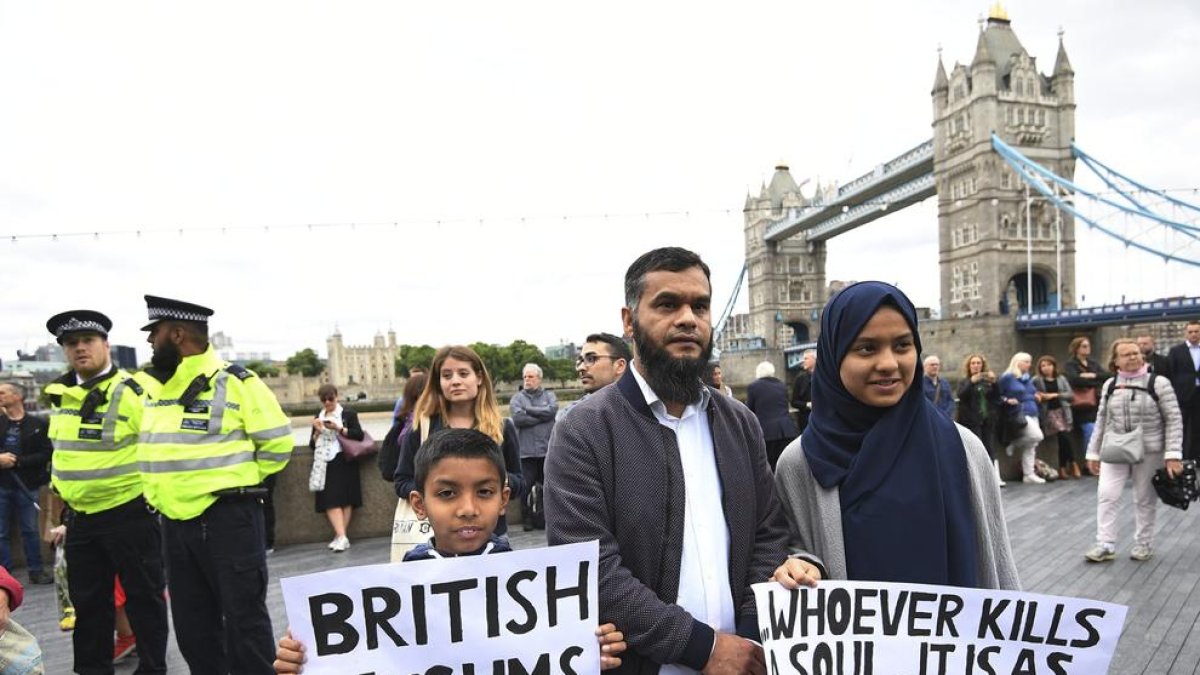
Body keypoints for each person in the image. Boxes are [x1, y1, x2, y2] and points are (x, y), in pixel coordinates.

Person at [546, 247, 818, 675]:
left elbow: (767, 534)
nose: (688, 318)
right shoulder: (583, 431)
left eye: (701, 305)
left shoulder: (740, 423)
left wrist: (745, 642)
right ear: (629, 320)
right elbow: (591, 568)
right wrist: (703, 648)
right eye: (668, 304)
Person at [273, 428, 627, 673]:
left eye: (484, 492)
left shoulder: (534, 587)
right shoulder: (398, 585)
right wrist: (305, 658)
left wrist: (587, 646)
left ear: (504, 500)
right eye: (447, 494)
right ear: (419, 504)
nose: (467, 508)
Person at [772, 281, 1019, 590]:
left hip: (951, 636)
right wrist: (800, 565)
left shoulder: (965, 448)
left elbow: (997, 562)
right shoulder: (799, 464)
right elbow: (790, 551)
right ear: (834, 356)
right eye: (866, 348)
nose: (888, 364)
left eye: (902, 345)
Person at [138, 295, 292, 674]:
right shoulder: (157, 387)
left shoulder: (236, 381)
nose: (148, 342)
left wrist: (238, 483)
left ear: (176, 334)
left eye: (154, 333)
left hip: (227, 518)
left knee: (245, 626)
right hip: (173, 523)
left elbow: (277, 444)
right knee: (193, 631)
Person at [42, 309, 170, 673]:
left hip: (129, 514)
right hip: (81, 521)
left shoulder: (132, 391)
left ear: (106, 345)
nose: (79, 349)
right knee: (89, 607)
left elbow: (161, 448)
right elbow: (64, 459)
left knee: (145, 602)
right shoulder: (61, 394)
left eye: (87, 341)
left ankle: (153, 668)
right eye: (71, 343)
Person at [394, 345, 525, 538]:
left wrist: (501, 483)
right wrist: (437, 494)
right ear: (439, 382)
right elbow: (402, 481)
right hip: (437, 536)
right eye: (447, 376)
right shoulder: (421, 428)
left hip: (491, 535)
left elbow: (519, 481)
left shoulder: (502, 427)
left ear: (479, 378)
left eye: (463, 374)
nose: (455, 381)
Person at [1084, 338, 1185, 562]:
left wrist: (1172, 455)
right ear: (1115, 361)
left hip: (1150, 449)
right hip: (1115, 448)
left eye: (1136, 353)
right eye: (1127, 354)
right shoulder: (1109, 385)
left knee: (1144, 497)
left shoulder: (1159, 383)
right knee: (1107, 495)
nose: (1133, 357)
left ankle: (1143, 543)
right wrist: (1092, 453)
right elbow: (1101, 420)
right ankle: (1105, 543)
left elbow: (1174, 420)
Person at [0, 383, 52, 585]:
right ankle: (5, 576)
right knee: (1, 532)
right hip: (2, 485)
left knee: (30, 530)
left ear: (17, 396)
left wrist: (18, 461)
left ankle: (36, 570)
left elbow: (47, 453)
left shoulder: (37, 424)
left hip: (27, 485)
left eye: (3, 392)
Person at [308, 384, 364, 553]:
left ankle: (340, 537)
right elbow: (312, 445)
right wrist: (317, 431)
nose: (327, 402)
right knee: (330, 500)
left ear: (336, 397)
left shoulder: (348, 414)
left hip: (345, 459)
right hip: (326, 462)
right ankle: (342, 536)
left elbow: (358, 435)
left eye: (330, 399)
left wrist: (338, 428)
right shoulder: (318, 417)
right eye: (323, 400)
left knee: (347, 500)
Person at [509, 363, 556, 531]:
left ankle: (546, 518)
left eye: (530, 376)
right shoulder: (517, 399)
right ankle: (527, 519)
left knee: (550, 487)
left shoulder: (549, 395)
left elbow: (552, 412)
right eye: (525, 377)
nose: (527, 380)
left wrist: (528, 410)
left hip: (546, 452)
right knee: (525, 489)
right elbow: (518, 419)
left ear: (539, 378)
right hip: (526, 453)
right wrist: (542, 416)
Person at [998, 352, 1047, 484]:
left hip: (1033, 411)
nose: (1029, 364)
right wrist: (1006, 400)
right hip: (1020, 412)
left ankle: (1028, 474)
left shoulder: (1028, 379)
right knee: (1037, 436)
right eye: (1026, 361)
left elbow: (1029, 392)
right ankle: (1013, 442)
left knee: (1032, 445)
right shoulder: (1007, 378)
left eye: (1029, 362)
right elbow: (997, 394)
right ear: (1017, 362)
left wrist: (1036, 395)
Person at [559, 333, 631, 420]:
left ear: (620, 366)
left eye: (591, 359)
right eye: (580, 361)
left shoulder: (645, 409)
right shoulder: (571, 418)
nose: (581, 368)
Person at [956, 353, 1002, 487]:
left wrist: (995, 383)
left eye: (978, 363)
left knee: (989, 449)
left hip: (987, 420)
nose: (976, 366)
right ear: (969, 366)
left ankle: (990, 478)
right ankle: (976, 479)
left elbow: (997, 397)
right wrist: (971, 382)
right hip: (971, 421)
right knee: (975, 449)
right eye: (973, 363)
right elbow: (961, 395)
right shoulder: (965, 381)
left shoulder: (987, 381)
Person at [745, 361, 799, 471]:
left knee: (770, 466)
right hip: (787, 430)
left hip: (767, 433)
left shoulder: (753, 387)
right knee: (788, 465)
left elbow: (749, 411)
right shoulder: (782, 385)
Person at [1032, 355, 1078, 479]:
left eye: (1049, 365)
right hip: (1050, 413)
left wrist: (1055, 395)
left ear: (1054, 366)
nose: (1046, 368)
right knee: (1062, 435)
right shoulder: (1037, 380)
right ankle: (1073, 463)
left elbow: (1070, 395)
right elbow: (1033, 393)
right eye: (1043, 366)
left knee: (1063, 439)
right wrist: (1041, 396)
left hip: (1063, 411)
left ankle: (1063, 468)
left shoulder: (1061, 378)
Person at [1065, 336, 1107, 470]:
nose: (1087, 348)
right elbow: (1074, 380)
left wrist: (1092, 376)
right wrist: (1093, 381)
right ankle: (1090, 463)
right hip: (1081, 406)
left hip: (1095, 402)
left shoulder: (1093, 363)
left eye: (1088, 345)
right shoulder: (1071, 364)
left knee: (1098, 432)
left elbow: (1107, 376)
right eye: (1084, 346)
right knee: (1090, 431)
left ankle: (1096, 462)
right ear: (1076, 348)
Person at [1166, 321, 1200, 461]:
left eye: (1196, 331)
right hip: (1183, 394)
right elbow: (1171, 372)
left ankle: (1197, 457)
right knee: (1182, 426)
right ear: (1186, 333)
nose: (1193, 334)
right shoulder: (1176, 351)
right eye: (1190, 331)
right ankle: (1181, 456)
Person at [790, 349, 815, 432]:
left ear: (814, 359)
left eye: (806, 358)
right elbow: (794, 402)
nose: (803, 361)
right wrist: (807, 405)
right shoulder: (799, 379)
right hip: (806, 421)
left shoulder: (824, 376)